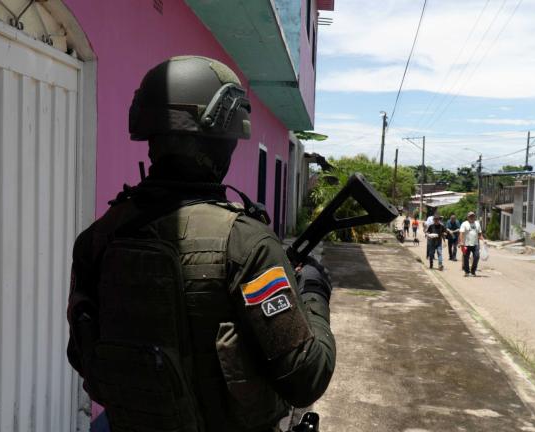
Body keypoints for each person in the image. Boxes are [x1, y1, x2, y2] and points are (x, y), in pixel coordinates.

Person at [66, 56, 336, 432]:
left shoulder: (98, 236)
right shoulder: (247, 242)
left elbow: (81, 354)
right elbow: (307, 378)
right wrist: (313, 291)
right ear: (224, 142)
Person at [458, 211, 484, 277]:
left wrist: (483, 240)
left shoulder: (477, 224)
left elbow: (479, 234)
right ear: (468, 217)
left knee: (477, 256)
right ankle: (467, 271)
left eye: (473, 216)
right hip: (466, 244)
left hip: (475, 244)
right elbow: (461, 233)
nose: (472, 217)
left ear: (474, 217)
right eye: (470, 216)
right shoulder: (464, 224)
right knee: (466, 258)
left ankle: (473, 271)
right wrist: (461, 242)